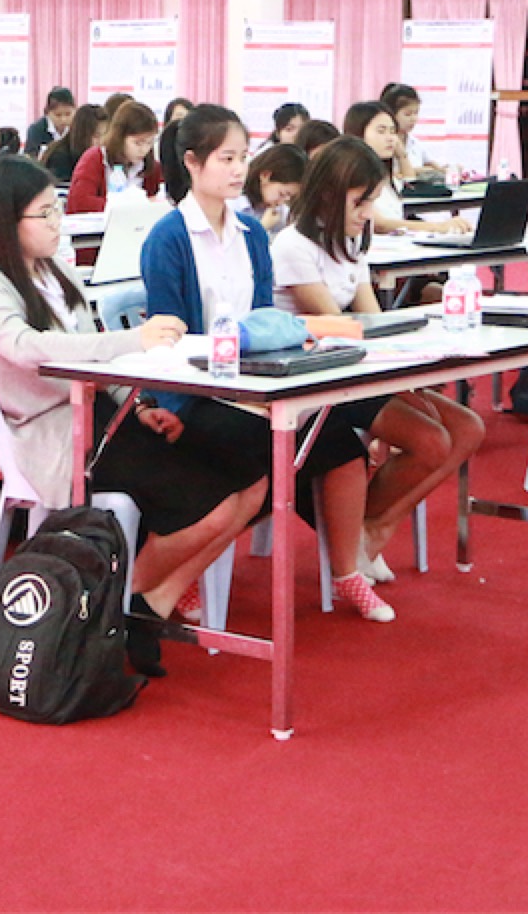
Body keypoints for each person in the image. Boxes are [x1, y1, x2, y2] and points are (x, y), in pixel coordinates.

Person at [0, 155, 264, 677]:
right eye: (44, 214)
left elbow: (96, 358)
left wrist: (138, 404)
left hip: (103, 415)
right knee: (211, 505)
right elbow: (29, 348)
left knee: (253, 480)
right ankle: (120, 606)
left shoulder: (56, 270)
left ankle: (147, 602)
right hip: (56, 431)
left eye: (56, 210)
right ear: (7, 221)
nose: (57, 223)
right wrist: (133, 340)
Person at [139, 105, 393, 628]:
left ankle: (347, 572)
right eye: (226, 159)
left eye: (243, 157)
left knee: (342, 447)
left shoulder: (252, 234)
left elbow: (263, 323)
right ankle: (184, 574)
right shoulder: (168, 238)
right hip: (194, 392)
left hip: (254, 385)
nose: (239, 169)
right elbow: (166, 341)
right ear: (192, 162)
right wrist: (198, 397)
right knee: (264, 458)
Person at [271, 138, 485, 574]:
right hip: (315, 379)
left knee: (467, 428)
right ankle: (354, 534)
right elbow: (337, 323)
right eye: (360, 202)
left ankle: (372, 529)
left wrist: (413, 352)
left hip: (356, 368)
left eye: (371, 201)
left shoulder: (351, 241)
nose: (368, 212)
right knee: (431, 440)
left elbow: (372, 319)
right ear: (328, 195)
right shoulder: (293, 246)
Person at [341, 100, 461, 237]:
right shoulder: (352, 175)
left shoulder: (385, 175)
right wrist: (438, 227)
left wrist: (402, 155)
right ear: (358, 133)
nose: (391, 138)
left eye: (393, 132)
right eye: (381, 131)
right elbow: (380, 224)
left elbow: (410, 181)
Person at [66, 99, 162, 214]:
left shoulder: (152, 167)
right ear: (120, 137)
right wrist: (125, 206)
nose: (144, 150)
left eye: (149, 143)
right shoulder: (94, 159)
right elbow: (79, 202)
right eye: (138, 143)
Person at [377, 83, 444, 183]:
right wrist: (418, 171)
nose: (413, 119)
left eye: (416, 113)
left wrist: (445, 171)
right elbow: (393, 176)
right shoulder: (384, 143)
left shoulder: (415, 142)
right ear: (391, 114)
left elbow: (433, 166)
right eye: (407, 114)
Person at [240, 142, 306, 234]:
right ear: (265, 176)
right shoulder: (233, 204)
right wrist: (262, 228)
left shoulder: (280, 212)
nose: (281, 202)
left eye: (290, 197)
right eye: (282, 194)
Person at [40, 102, 104, 186]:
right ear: (81, 134)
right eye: (97, 136)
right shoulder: (60, 157)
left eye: (105, 135)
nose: (102, 141)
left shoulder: (102, 156)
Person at [23, 87, 76, 156]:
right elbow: (29, 157)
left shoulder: (78, 128)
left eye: (68, 114)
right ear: (48, 112)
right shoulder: (36, 129)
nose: (63, 119)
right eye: (58, 115)